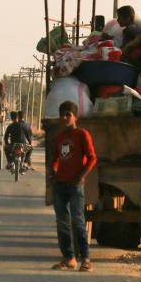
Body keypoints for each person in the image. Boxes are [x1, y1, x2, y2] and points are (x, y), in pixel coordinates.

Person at [49, 101, 96, 272]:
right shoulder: (59, 137)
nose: (64, 117)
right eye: (62, 114)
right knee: (62, 223)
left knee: (78, 221)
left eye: (68, 114)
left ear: (75, 116)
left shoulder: (82, 135)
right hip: (60, 185)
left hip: (75, 186)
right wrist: (52, 173)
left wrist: (80, 177)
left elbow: (92, 158)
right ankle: (69, 258)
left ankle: (86, 259)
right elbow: (55, 159)